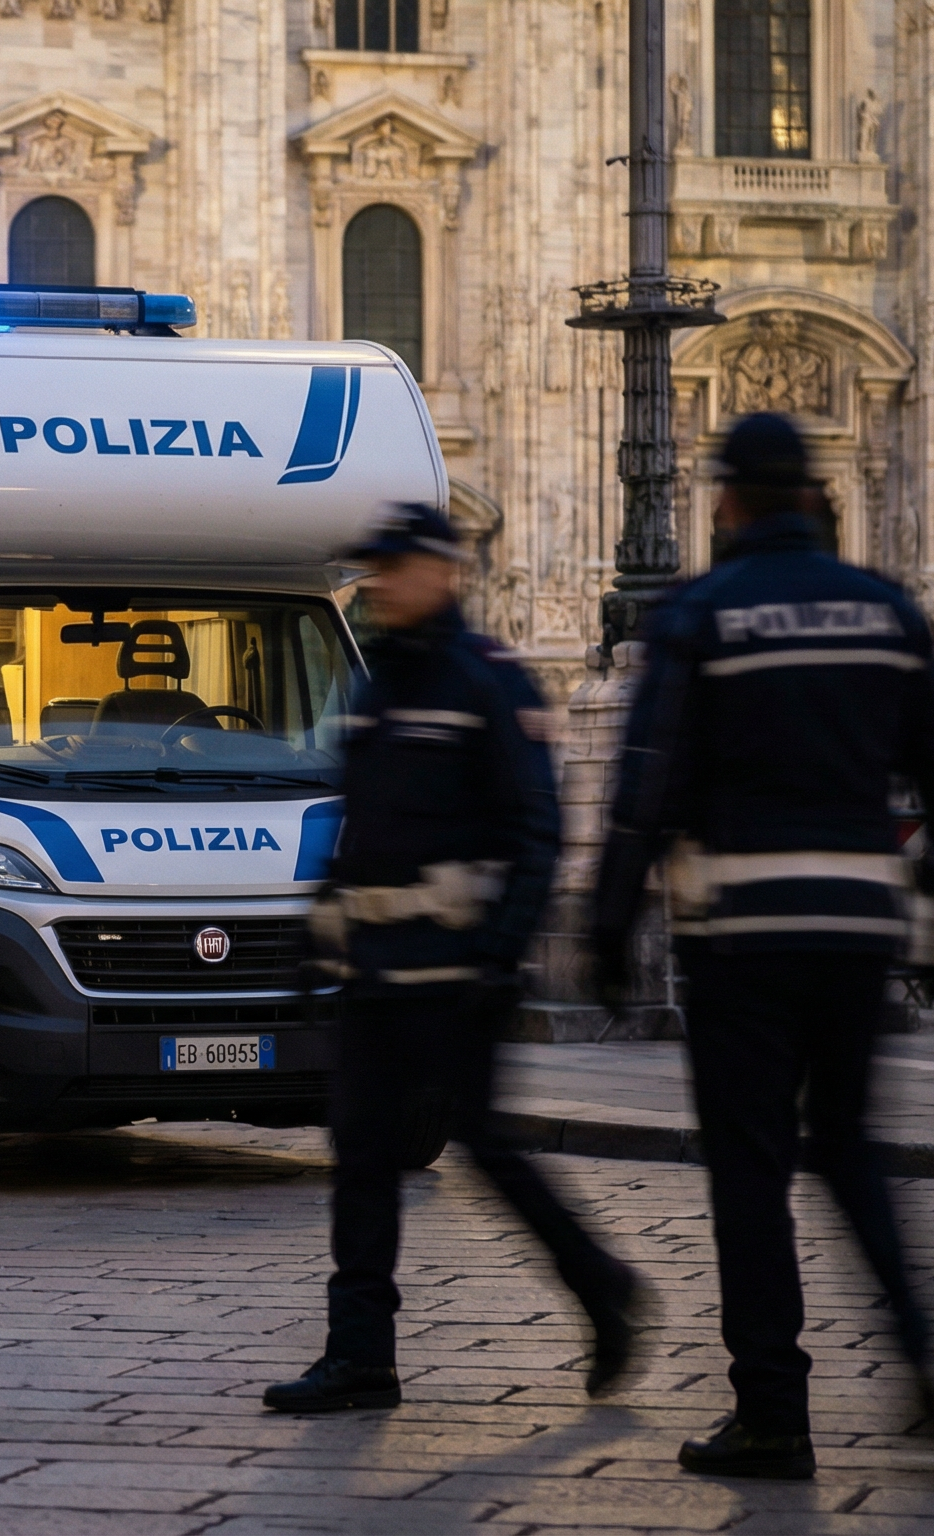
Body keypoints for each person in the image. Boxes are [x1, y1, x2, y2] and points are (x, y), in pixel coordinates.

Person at [592, 412, 934, 1480]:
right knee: (848, 1146)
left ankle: (771, 1412)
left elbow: (646, 784)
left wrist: (610, 926)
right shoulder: (885, 609)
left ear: (726, 501)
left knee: (751, 1172)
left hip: (743, 935)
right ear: (811, 496)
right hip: (857, 928)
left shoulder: (702, 612)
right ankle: (919, 1345)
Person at [264, 502, 645, 1415]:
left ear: (442, 571)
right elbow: (361, 829)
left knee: (487, 1148)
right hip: (376, 971)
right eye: (378, 569)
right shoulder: (380, 683)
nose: (382, 584)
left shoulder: (487, 679)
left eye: (397, 568)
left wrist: (500, 955)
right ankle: (360, 1355)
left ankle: (600, 1284)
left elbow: (537, 828)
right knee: (361, 1156)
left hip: (454, 972)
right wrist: (319, 931)